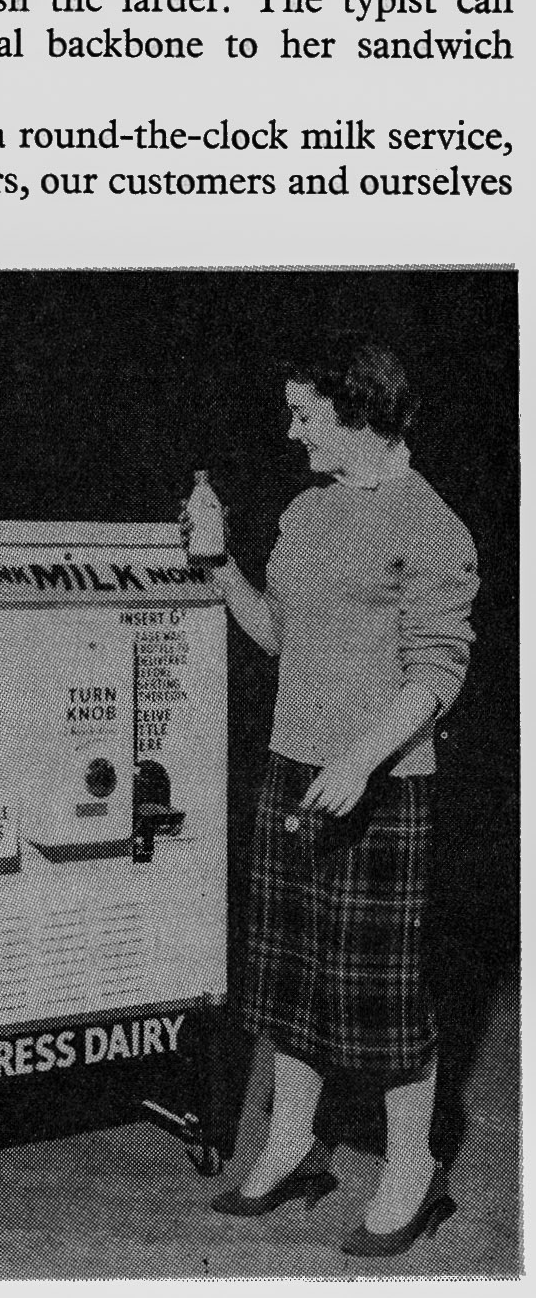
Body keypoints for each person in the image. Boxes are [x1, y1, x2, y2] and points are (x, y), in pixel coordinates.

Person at [193, 334, 478, 1257]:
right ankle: (291, 1145)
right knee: (289, 976)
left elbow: (437, 670)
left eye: (304, 414)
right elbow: (279, 636)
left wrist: (359, 759)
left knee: (379, 991)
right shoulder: (307, 510)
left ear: (358, 412)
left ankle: (413, 1168)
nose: (290, 432)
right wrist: (218, 564)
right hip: (293, 766)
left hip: (380, 781)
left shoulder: (429, 524)